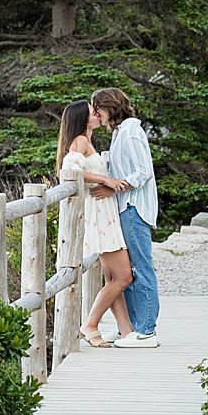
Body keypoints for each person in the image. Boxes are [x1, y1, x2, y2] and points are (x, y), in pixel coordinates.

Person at [57, 101, 135, 348]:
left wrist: (106, 183)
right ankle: (90, 324)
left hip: (105, 212)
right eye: (93, 112)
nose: (98, 114)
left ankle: (127, 331)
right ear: (83, 119)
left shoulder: (89, 142)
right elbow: (68, 171)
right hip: (100, 216)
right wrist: (105, 179)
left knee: (114, 277)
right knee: (124, 277)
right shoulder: (80, 141)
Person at [90, 87, 160, 348]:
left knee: (141, 268)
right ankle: (130, 329)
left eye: (98, 109)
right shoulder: (120, 133)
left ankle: (147, 331)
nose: (97, 114)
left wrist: (112, 187)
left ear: (109, 107)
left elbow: (143, 172)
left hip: (134, 208)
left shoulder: (131, 131)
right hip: (125, 208)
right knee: (128, 270)